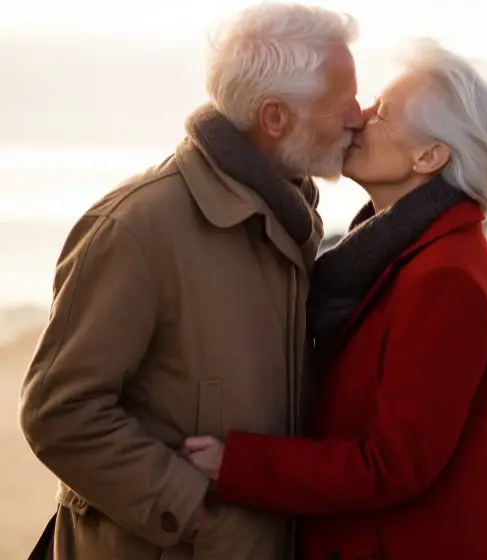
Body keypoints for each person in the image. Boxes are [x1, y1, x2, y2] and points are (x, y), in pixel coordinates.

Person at [18, 3, 363, 559]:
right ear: (274, 118)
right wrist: (189, 507)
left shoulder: (291, 218)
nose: (359, 113)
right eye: (340, 99)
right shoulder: (138, 228)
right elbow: (59, 413)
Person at [183, 40, 487, 560]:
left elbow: (393, 465)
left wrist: (237, 465)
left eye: (384, 115)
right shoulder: (400, 255)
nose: (359, 116)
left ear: (430, 155)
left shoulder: (448, 278)